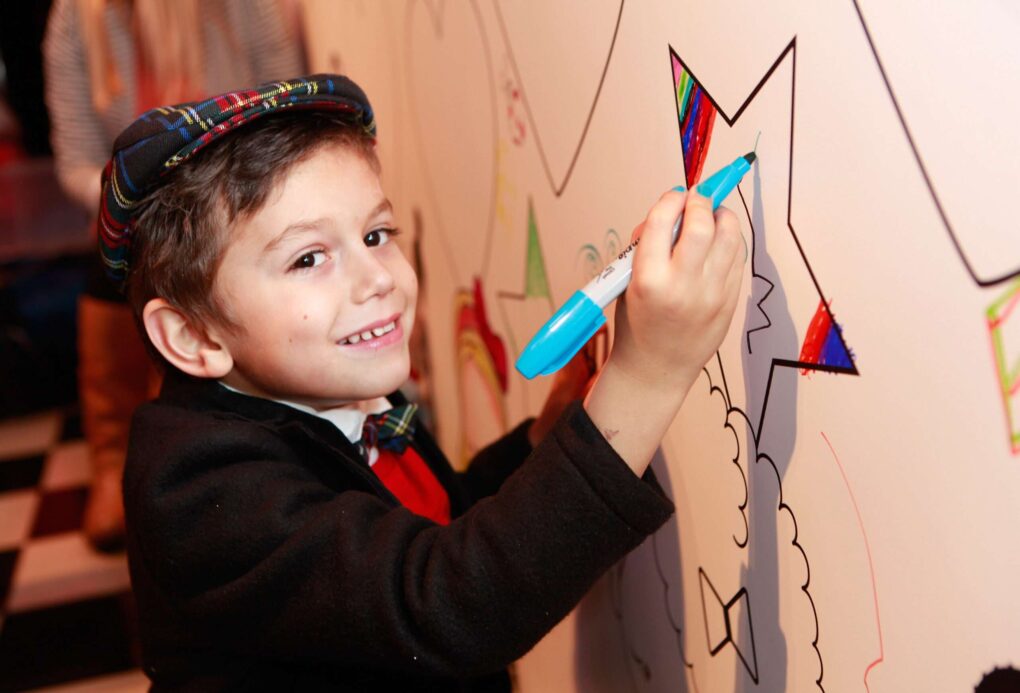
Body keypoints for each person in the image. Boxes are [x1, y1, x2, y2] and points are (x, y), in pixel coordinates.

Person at [104, 75, 745, 690]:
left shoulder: (333, 390)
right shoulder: (198, 489)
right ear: (194, 338)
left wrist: (543, 440)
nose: (377, 278)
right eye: (308, 258)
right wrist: (648, 374)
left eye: (375, 235)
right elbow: (446, 602)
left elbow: (431, 523)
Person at [42, 0, 302, 550]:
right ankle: (115, 463)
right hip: (131, 216)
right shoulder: (74, 18)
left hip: (236, 207)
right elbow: (76, 165)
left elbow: (288, 119)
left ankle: (210, 464)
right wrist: (144, 203)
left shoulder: (245, 8)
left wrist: (212, 206)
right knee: (112, 275)